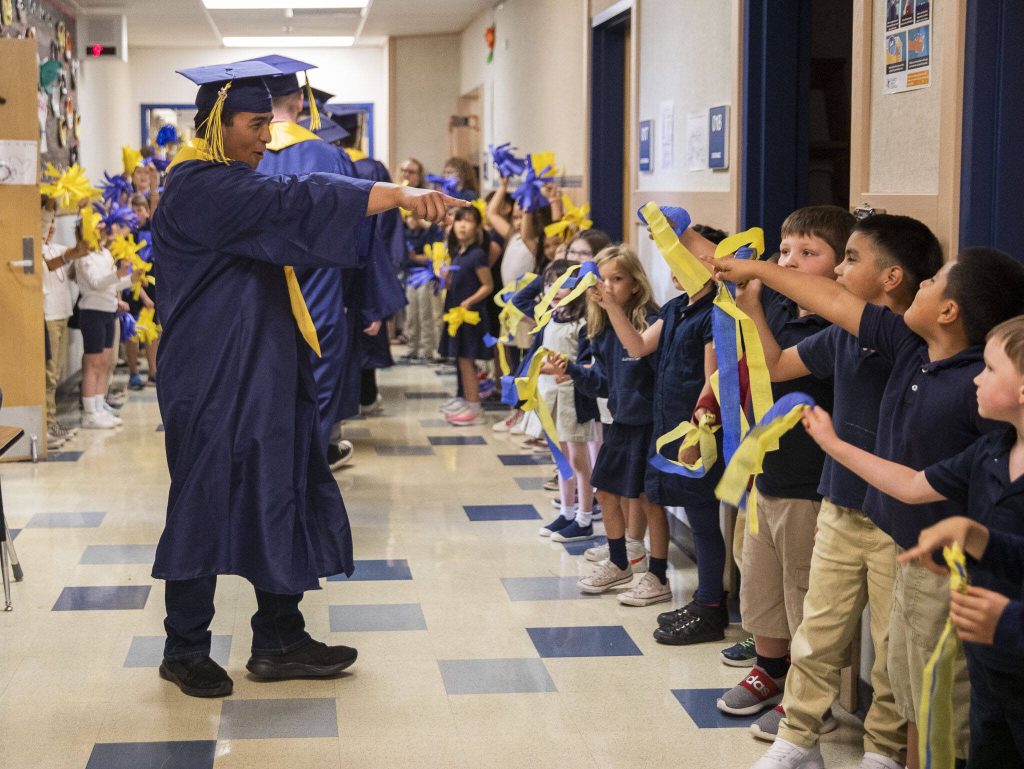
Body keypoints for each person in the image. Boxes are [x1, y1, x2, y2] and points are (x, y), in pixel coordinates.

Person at [149, 58, 461, 698]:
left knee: (279, 486)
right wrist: (398, 195)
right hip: (208, 373)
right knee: (204, 497)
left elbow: (296, 209)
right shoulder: (200, 186)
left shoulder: (233, 177)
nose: (267, 136)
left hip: (263, 363)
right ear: (217, 123)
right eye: (255, 123)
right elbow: (298, 198)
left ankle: (281, 638)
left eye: (269, 121)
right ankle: (183, 649)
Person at [715, 242, 1024, 769]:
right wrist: (834, 445)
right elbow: (911, 483)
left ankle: (883, 753)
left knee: (953, 710)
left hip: (963, 591)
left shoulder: (975, 398)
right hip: (907, 548)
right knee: (910, 685)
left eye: (932, 284)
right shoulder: (913, 351)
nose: (922, 288)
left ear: (949, 311)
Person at [803, 313, 1024, 769]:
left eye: (990, 369)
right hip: (990, 669)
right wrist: (834, 445)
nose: (976, 379)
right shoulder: (992, 450)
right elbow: (911, 484)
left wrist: (1009, 622)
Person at [710, 207, 849, 719]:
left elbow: (775, 368)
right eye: (785, 251)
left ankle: (813, 694)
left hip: (808, 484)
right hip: (766, 476)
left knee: (803, 589)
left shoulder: (838, 326)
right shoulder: (787, 316)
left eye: (808, 253)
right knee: (761, 583)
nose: (790, 262)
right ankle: (770, 666)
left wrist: (756, 313)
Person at [255, 55, 363, 471]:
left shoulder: (245, 154)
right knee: (315, 398)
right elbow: (353, 232)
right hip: (318, 302)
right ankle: (311, 481)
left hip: (259, 297)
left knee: (266, 395)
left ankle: (270, 485)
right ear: (300, 102)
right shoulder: (328, 157)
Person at [556, 245, 658, 592]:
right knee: (606, 491)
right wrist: (571, 370)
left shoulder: (652, 322)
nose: (610, 287)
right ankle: (619, 562)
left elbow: (645, 359)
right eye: (603, 280)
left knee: (645, 497)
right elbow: (602, 383)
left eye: (618, 279)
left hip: (648, 423)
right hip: (620, 421)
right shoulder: (600, 329)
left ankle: (648, 565)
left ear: (635, 283)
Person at [531, 259, 597, 542]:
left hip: (573, 399)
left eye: (565, 283)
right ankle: (567, 511)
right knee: (561, 459)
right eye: (550, 283)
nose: (556, 290)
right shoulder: (550, 317)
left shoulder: (583, 324)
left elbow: (583, 364)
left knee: (579, 459)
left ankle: (584, 517)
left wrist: (544, 367)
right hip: (550, 396)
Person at [75, 219, 135, 430]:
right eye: (98, 227)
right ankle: (89, 413)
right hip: (92, 312)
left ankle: (99, 407)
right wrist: (118, 274)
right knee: (93, 363)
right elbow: (96, 283)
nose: (103, 230)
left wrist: (130, 279)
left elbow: (113, 284)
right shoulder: (84, 257)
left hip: (109, 310)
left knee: (105, 360)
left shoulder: (105, 254)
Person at [439, 206, 494, 426]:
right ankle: (467, 401)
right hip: (456, 316)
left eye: (469, 221)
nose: (462, 225)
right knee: (461, 361)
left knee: (467, 361)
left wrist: (470, 301)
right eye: (459, 221)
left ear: (478, 227)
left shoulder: (478, 254)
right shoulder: (458, 253)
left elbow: (487, 285)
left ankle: (474, 407)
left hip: (470, 317)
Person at [41, 195, 86, 447]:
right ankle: (46, 424)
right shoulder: (35, 249)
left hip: (62, 315)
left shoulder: (57, 248)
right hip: (47, 317)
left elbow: (75, 251)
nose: (51, 228)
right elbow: (53, 263)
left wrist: (82, 216)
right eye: (47, 223)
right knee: (48, 373)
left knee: (55, 372)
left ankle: (52, 420)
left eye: (53, 223)